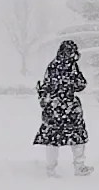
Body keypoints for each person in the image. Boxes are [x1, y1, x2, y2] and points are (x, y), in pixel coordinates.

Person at [35, 39, 93, 174]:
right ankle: (78, 166)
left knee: (53, 139)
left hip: (55, 108)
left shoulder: (54, 66)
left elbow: (48, 86)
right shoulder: (69, 66)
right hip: (68, 107)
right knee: (77, 137)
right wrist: (71, 85)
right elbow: (81, 84)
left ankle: (52, 168)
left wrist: (47, 98)